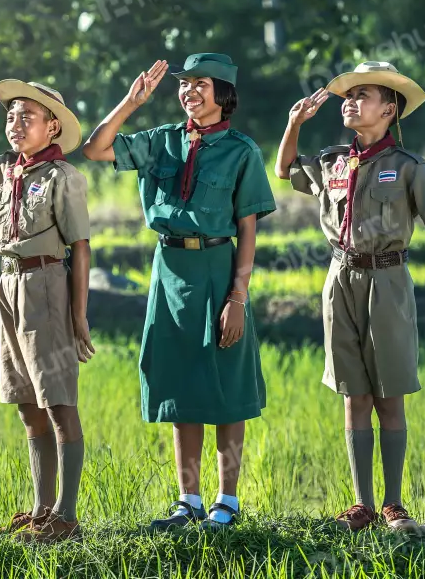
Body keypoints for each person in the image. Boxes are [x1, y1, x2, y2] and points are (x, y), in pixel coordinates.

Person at [274, 61, 425, 532]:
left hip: (387, 281)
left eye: (364, 96)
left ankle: (393, 503)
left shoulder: (408, 168)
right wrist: (293, 125)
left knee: (389, 395)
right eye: (349, 94)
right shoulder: (331, 162)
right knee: (353, 395)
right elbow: (284, 170)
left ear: (389, 110)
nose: (351, 102)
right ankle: (361, 505)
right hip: (339, 279)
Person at [81, 53, 276, 531]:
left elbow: (247, 228)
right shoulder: (162, 141)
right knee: (179, 385)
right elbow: (95, 149)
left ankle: (226, 502)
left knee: (226, 382)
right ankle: (188, 500)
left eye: (200, 84)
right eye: (185, 84)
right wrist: (131, 102)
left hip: (217, 265)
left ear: (224, 93)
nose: (189, 91)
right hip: (168, 270)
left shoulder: (241, 150)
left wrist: (238, 297)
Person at [0, 79, 95, 543]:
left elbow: (80, 249)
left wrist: (78, 317)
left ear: (52, 127)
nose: (15, 125)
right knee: (25, 402)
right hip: (8, 285)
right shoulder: (4, 171)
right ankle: (40, 509)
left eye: (26, 117)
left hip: (47, 284)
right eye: (11, 117)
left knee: (57, 401)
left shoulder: (62, 177)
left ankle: (66, 516)